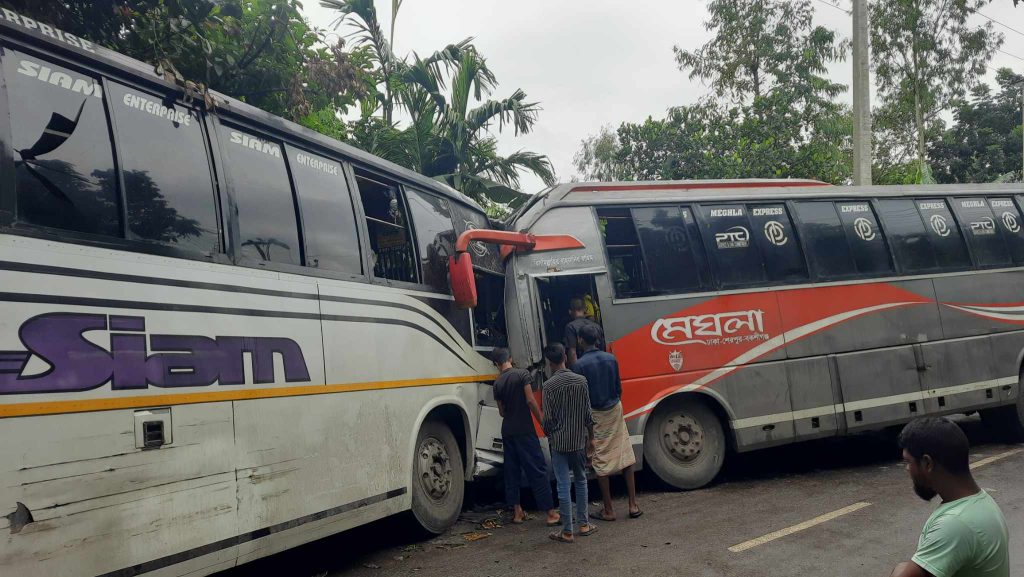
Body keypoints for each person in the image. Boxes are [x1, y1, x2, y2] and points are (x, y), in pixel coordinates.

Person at [888, 417, 1009, 577]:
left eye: (909, 462)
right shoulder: (982, 502)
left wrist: (900, 568)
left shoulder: (955, 523)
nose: (907, 469)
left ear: (927, 463)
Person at [572, 323, 641, 521]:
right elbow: (618, 388)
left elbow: (582, 398)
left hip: (596, 415)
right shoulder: (611, 358)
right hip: (615, 409)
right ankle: (633, 505)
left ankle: (609, 510)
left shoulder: (578, 365)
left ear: (581, 340)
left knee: (600, 459)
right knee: (624, 453)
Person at [491, 348, 559, 527]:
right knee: (537, 469)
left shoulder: (497, 384)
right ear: (510, 358)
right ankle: (550, 513)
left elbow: (502, 412)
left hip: (508, 431)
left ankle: (517, 512)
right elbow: (530, 400)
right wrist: (542, 421)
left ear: (496, 364)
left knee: (512, 471)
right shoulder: (522, 375)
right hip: (524, 429)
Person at [541, 342, 598, 543]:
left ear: (549, 363)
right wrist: (591, 438)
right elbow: (588, 414)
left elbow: (548, 420)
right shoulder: (581, 381)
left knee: (563, 485)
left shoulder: (548, 386)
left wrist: (550, 434)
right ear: (565, 357)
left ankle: (567, 531)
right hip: (578, 441)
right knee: (581, 480)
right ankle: (584, 524)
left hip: (558, 443)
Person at [564, 297, 605, 368]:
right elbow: (602, 347)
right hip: (598, 365)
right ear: (585, 309)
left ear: (570, 311)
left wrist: (576, 369)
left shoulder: (570, 327)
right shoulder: (597, 326)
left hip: (583, 366)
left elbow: (573, 352)